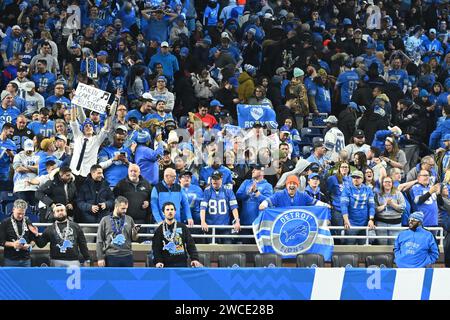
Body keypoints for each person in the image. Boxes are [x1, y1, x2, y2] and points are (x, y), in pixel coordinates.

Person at [152, 202, 202, 268]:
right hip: (165, 266)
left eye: (172, 209)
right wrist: (158, 261)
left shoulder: (183, 227)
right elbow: (156, 248)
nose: (170, 212)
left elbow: (191, 244)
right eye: (167, 210)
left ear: (175, 212)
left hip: (182, 264)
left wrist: (195, 259)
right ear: (163, 213)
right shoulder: (159, 230)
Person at [96, 196, 140, 267]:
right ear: (116, 207)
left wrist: (135, 233)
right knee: (112, 278)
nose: (125, 211)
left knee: (127, 278)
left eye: (126, 208)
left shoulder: (129, 219)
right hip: (111, 256)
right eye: (123, 208)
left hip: (127, 255)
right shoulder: (105, 220)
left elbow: (134, 238)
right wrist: (100, 258)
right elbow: (99, 240)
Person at [200, 170, 240, 244]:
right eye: (213, 179)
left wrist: (237, 221)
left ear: (221, 179)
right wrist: (203, 221)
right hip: (210, 226)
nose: (215, 181)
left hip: (225, 226)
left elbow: (234, 207)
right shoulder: (207, 191)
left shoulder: (228, 191)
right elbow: (203, 208)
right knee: (211, 249)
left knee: (227, 248)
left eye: (217, 179)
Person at [236, 165, 273, 243]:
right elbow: (238, 196)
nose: (252, 171)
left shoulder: (267, 186)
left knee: (257, 249)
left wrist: (256, 192)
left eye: (256, 169)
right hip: (245, 221)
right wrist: (247, 193)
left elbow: (269, 202)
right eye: (253, 169)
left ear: (262, 172)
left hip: (259, 223)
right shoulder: (246, 182)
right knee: (245, 247)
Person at [341, 170, 376, 245]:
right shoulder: (347, 189)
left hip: (364, 223)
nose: (355, 179)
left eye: (358, 177)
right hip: (351, 223)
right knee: (350, 247)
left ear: (362, 179)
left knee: (363, 248)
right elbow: (344, 206)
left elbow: (372, 206)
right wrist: (346, 220)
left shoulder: (368, 190)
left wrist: (371, 219)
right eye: (353, 177)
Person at [0, 199, 38, 267]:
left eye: (23, 214)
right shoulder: (5, 223)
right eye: (19, 213)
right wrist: (13, 244)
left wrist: (30, 246)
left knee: (26, 278)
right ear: (13, 209)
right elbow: (1, 241)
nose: (21, 216)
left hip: (26, 260)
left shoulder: (28, 221)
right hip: (10, 260)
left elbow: (33, 239)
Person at [259, 175, 331, 209]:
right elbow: (268, 201)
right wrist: (263, 204)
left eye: (294, 184)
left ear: (297, 185)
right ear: (286, 185)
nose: (292, 185)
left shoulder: (303, 195)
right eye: (290, 183)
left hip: (298, 226)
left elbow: (314, 202)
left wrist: (325, 205)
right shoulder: (279, 194)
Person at [374, 175, 406, 245]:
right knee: (382, 243)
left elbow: (403, 208)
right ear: (382, 183)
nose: (387, 184)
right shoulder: (378, 194)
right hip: (381, 222)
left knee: (394, 244)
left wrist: (392, 204)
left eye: (389, 182)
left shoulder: (398, 194)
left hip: (395, 223)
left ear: (392, 184)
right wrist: (384, 205)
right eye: (385, 182)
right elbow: (375, 209)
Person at [13, 139, 39, 206]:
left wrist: (26, 166)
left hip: (34, 187)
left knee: (35, 209)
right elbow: (18, 169)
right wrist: (33, 169)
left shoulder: (37, 157)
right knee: (21, 207)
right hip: (20, 186)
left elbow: (38, 169)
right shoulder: (18, 156)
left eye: (30, 149)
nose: (29, 151)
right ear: (24, 147)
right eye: (27, 149)